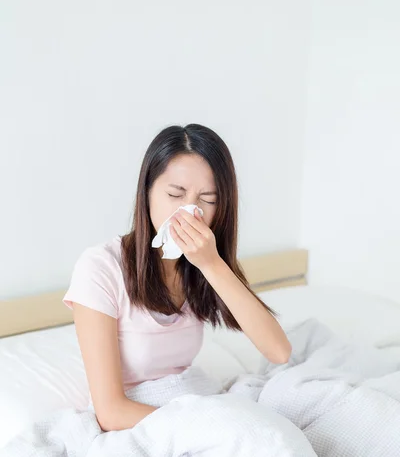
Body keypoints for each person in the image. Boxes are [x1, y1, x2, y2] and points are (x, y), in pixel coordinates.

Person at [63, 123, 291, 432]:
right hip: (141, 422)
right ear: (147, 192)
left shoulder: (203, 266)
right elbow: (110, 412)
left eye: (207, 199)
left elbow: (279, 351)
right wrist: (203, 425)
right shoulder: (101, 267)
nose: (189, 211)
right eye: (175, 194)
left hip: (190, 400)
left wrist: (212, 265)